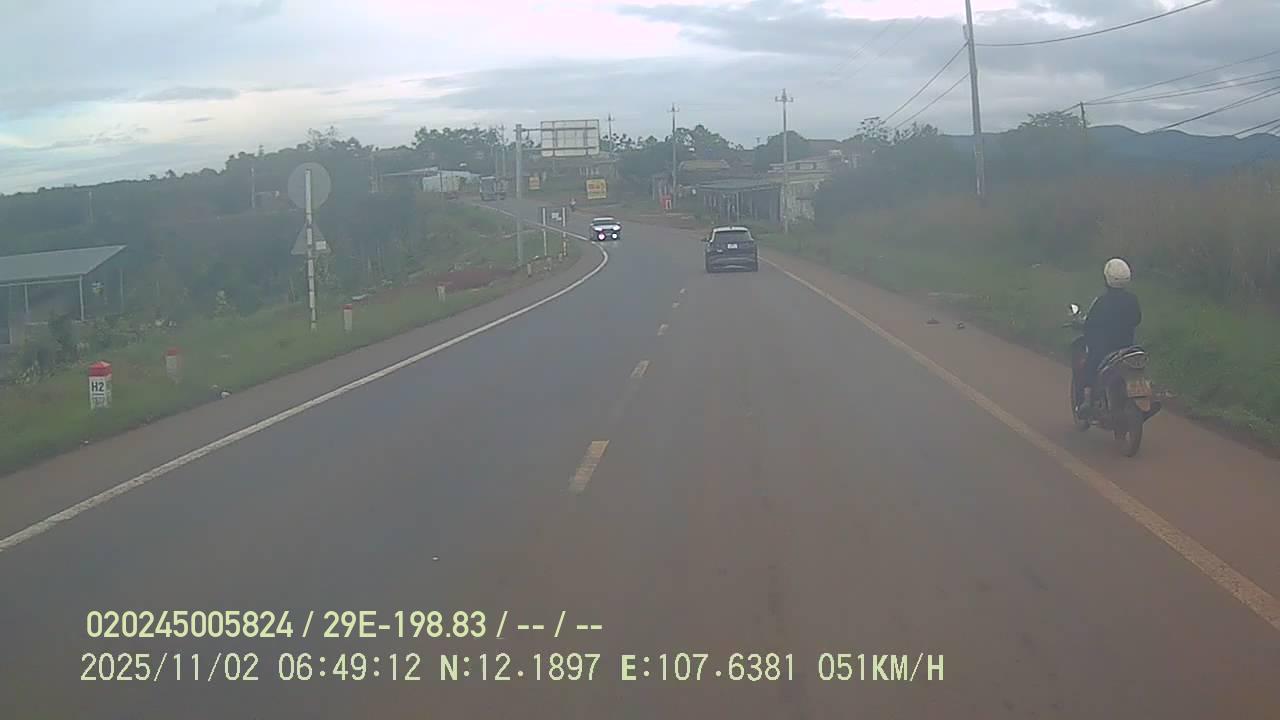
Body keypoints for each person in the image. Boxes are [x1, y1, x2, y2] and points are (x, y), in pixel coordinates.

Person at [1077, 258, 1142, 415]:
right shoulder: (1132, 299)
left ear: (1107, 278)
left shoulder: (1101, 301)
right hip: (1127, 347)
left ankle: (1086, 401)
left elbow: (1090, 323)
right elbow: (1137, 319)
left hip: (1104, 350)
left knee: (1090, 365)